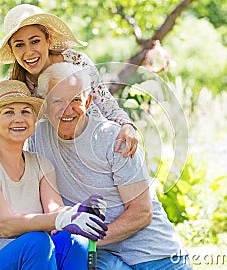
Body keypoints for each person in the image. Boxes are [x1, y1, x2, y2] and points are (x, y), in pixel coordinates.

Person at [30, 62, 192, 269]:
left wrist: (85, 242)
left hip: (154, 254)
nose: (67, 110)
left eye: (76, 100)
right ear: (43, 104)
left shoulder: (113, 138)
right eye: (57, 101)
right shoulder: (37, 138)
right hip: (102, 257)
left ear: (88, 101)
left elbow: (141, 212)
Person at [0, 4, 137, 174]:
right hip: (53, 162)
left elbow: (106, 103)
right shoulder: (16, 82)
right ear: (12, 50)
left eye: (35, 41)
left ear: (49, 40)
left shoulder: (76, 62)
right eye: (19, 45)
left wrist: (127, 125)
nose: (29, 52)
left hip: (94, 148)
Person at [0, 80, 108, 270]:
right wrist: (62, 219)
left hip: (30, 261)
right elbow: (4, 225)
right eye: (8, 112)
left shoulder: (41, 164)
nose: (19, 119)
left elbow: (54, 211)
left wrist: (77, 211)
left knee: (75, 241)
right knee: (37, 242)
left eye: (26, 112)